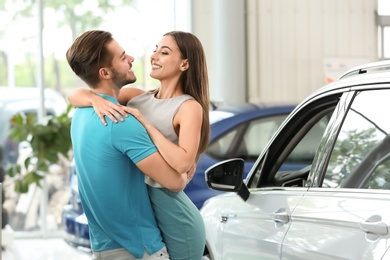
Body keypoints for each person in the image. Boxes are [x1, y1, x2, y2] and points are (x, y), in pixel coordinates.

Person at [68, 31, 210, 260]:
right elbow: (81, 92)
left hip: (172, 210)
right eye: (155, 49)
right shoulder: (136, 97)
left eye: (164, 52)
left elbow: (183, 163)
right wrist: (94, 100)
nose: (153, 56)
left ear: (184, 64)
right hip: (147, 210)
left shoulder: (188, 107)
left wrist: (146, 124)